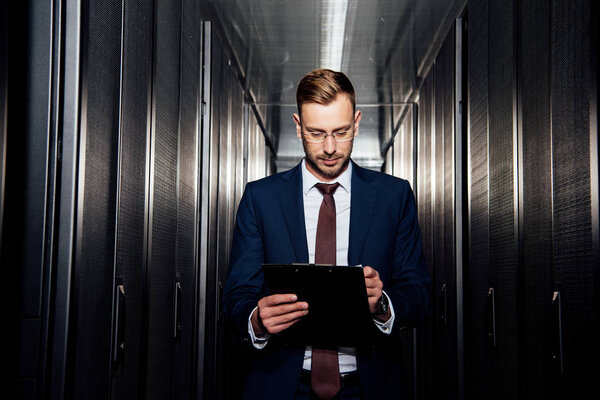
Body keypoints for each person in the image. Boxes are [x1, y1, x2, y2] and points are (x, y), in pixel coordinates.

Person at [223, 69, 430, 400]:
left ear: (357, 122)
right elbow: (236, 295)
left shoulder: (395, 196)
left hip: (369, 387)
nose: (330, 147)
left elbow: (419, 294)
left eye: (342, 132)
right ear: (297, 126)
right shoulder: (260, 198)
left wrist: (383, 305)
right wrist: (257, 319)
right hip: (281, 386)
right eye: (316, 133)